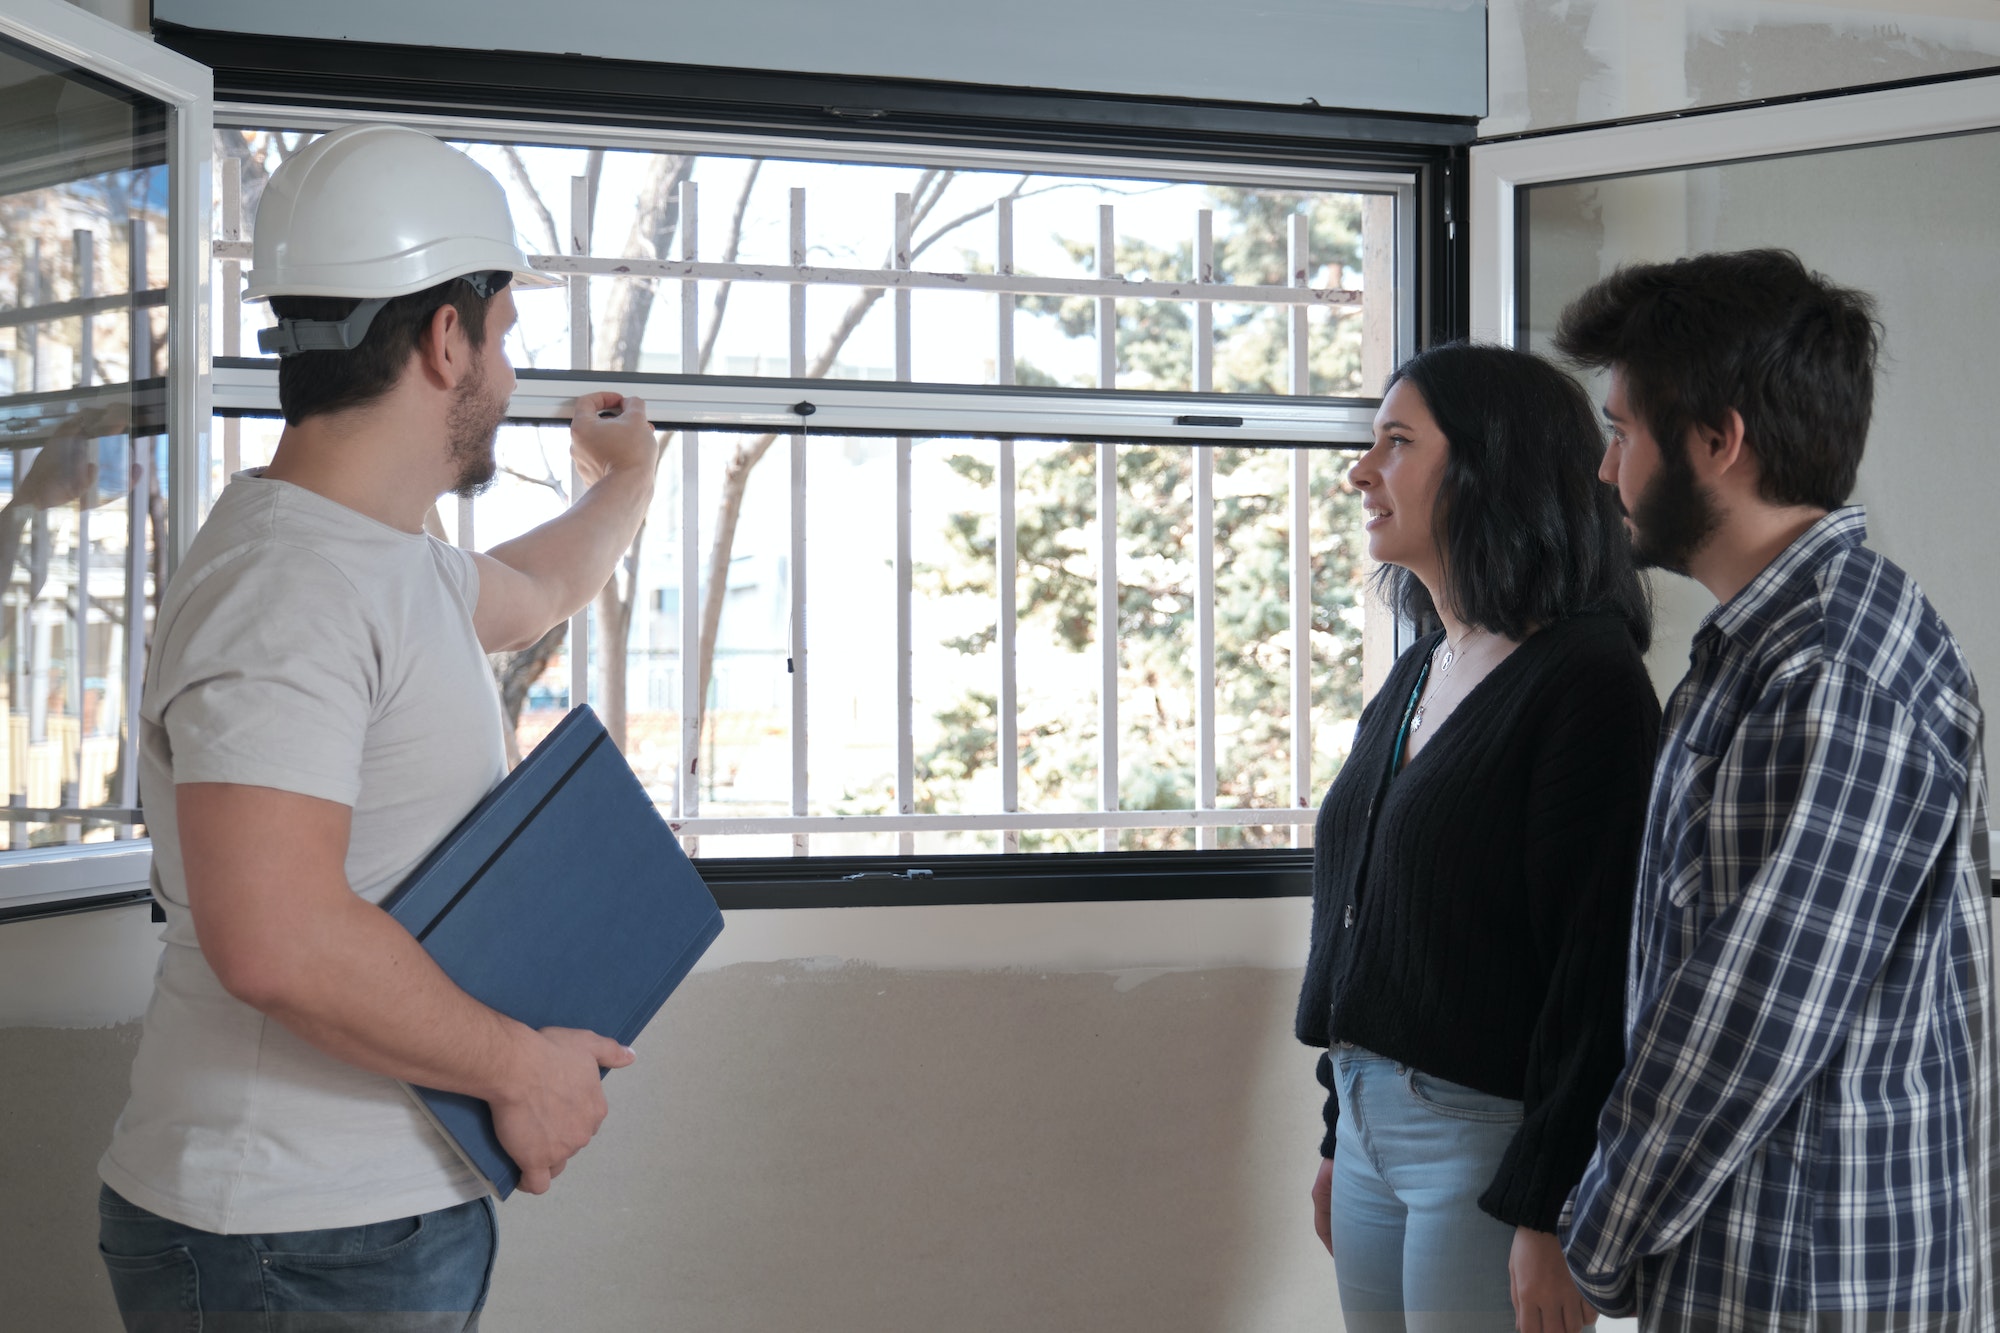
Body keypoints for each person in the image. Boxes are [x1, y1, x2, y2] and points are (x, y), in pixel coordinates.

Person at [94, 124, 661, 1328]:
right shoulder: (289, 587)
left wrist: (625, 480)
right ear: (445, 340)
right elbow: (278, 941)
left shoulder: (387, 561)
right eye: (502, 337)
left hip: (358, 1221)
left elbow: (540, 591)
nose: (508, 375)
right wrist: (524, 1069)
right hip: (286, 1237)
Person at [1555, 248, 1998, 1326]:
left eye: (1621, 432)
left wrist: (1597, 1235)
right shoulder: (1775, 642)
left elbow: (1750, 1014)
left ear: (1718, 440)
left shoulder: (1825, 670)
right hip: (1770, 1248)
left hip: (1805, 1273)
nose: (1607, 473)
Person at [1298, 341, 1661, 1332]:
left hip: (1484, 1143)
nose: (1360, 472)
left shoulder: (1585, 680)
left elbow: (1597, 973)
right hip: (1371, 1124)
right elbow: (1365, 920)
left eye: (1396, 443)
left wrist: (1546, 1211)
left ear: (1486, 466)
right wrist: (1340, 1132)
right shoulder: (1421, 665)